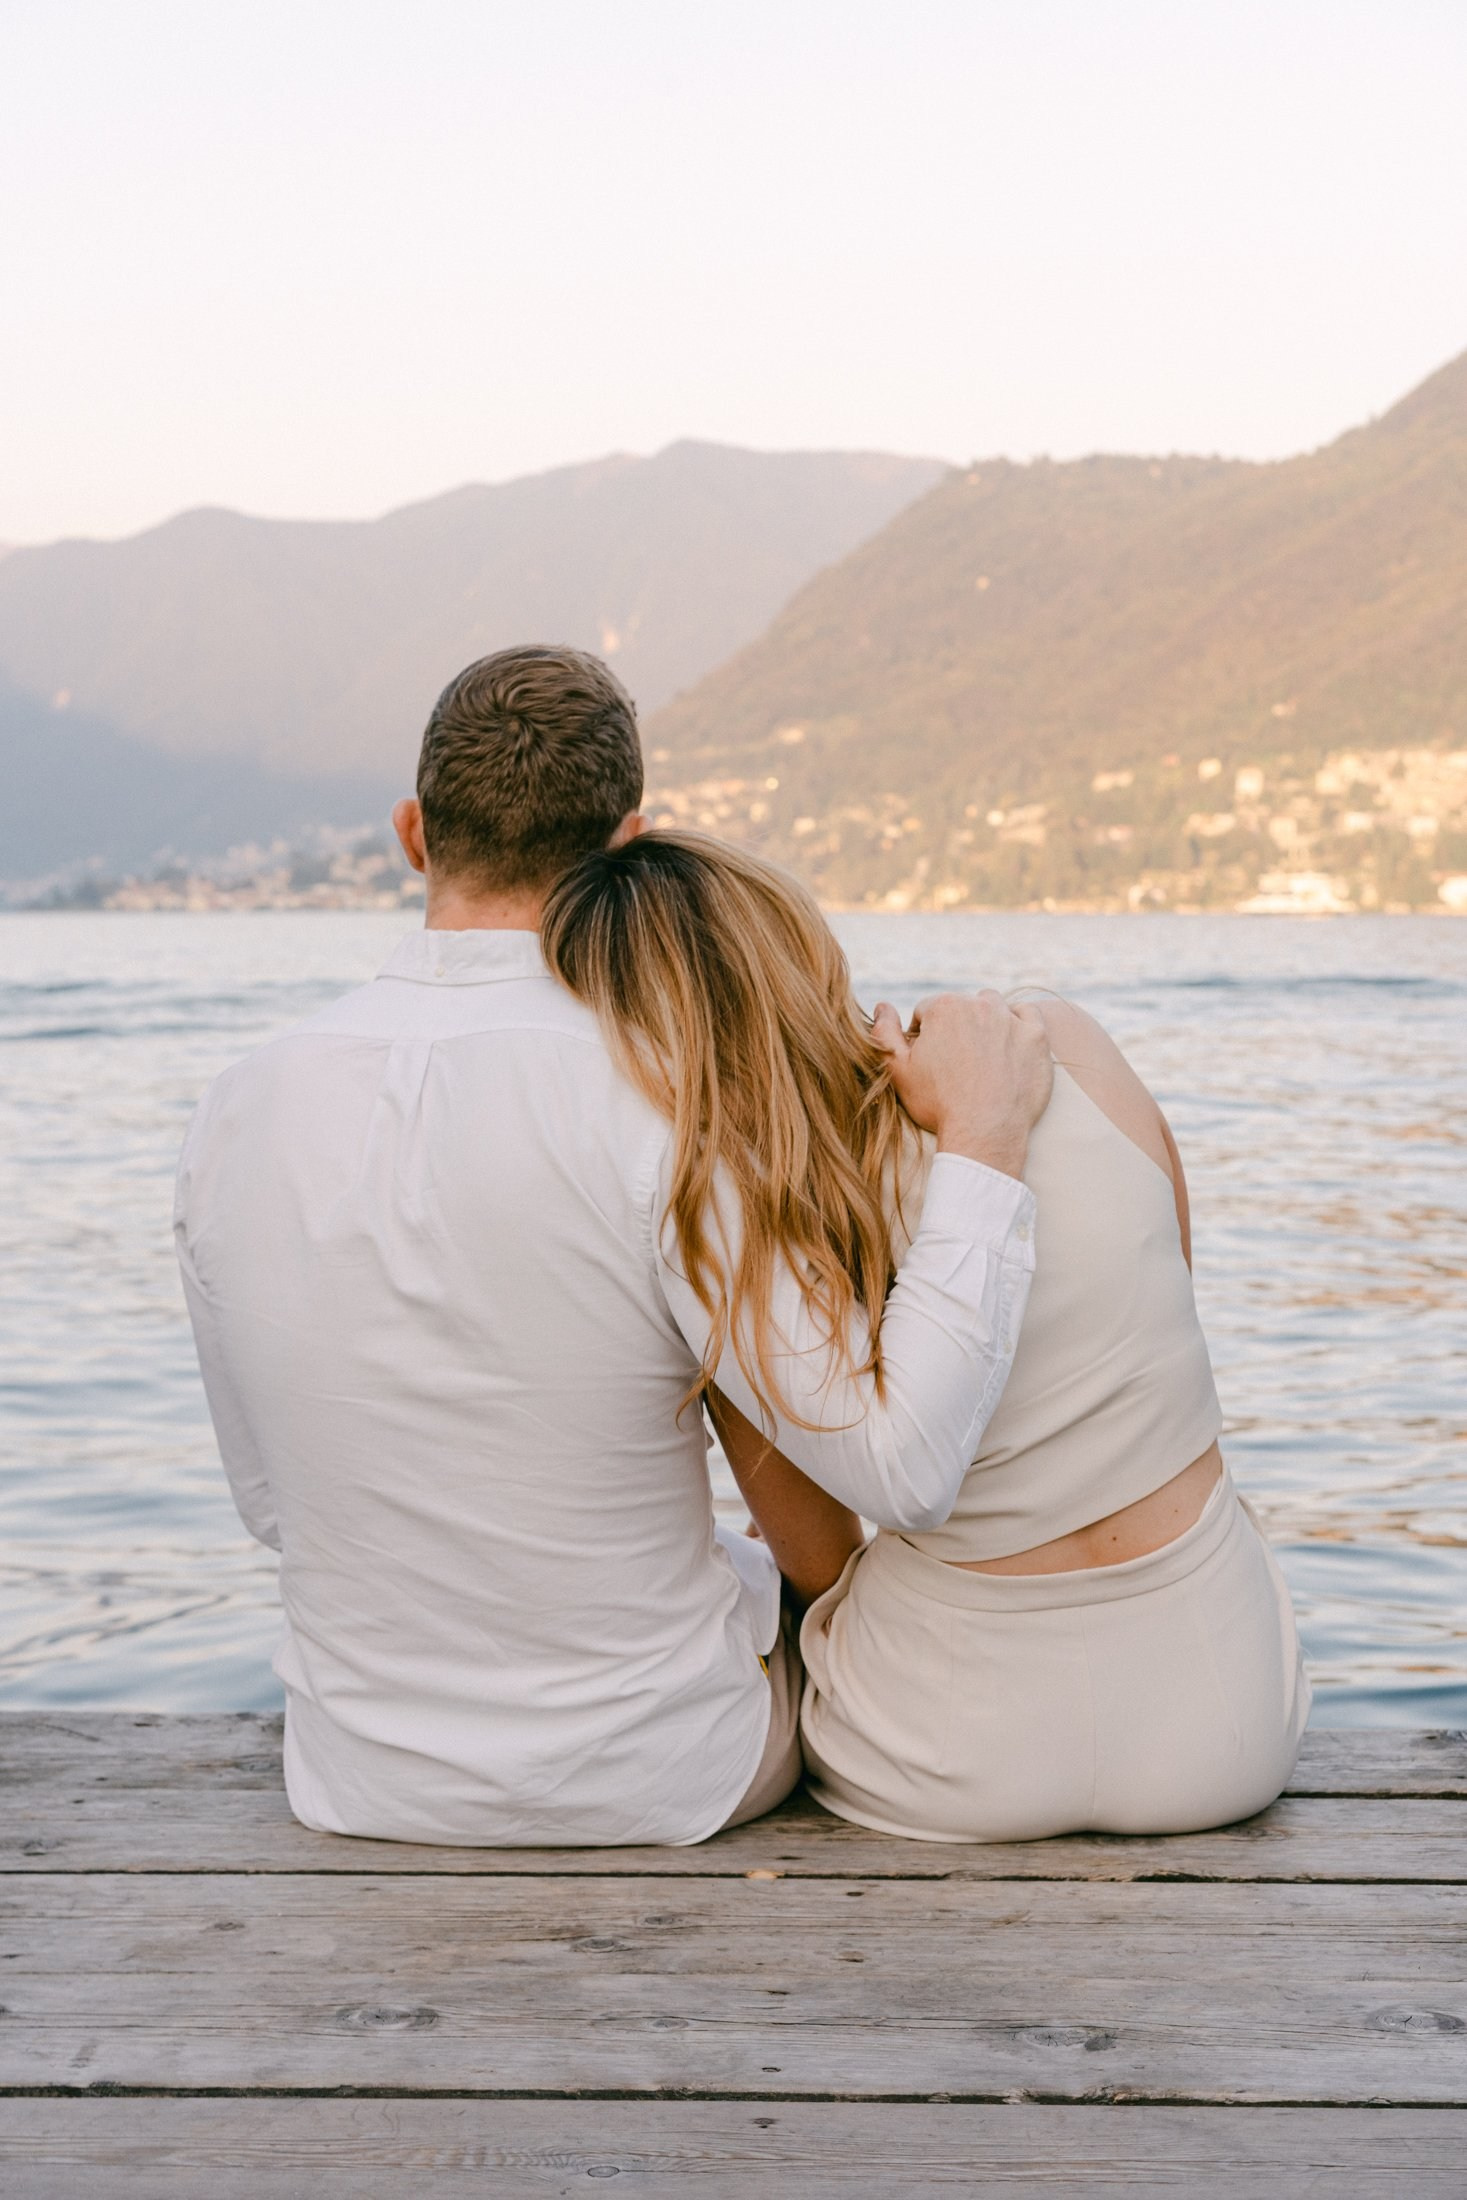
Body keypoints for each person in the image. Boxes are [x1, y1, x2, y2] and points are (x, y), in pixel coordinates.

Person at [174, 646, 1050, 1847]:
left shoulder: (237, 1105)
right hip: (661, 1771)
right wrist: (986, 1142)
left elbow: (272, 1504)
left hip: (360, 1776)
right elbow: (902, 1468)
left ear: (413, 833)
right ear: (627, 845)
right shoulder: (671, 1097)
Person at [542, 829, 1312, 1844]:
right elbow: (1171, 1303)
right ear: (802, 940)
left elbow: (820, 1560)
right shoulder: (1053, 1042)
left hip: (952, 1753)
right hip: (1226, 1722)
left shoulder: (735, 1229)